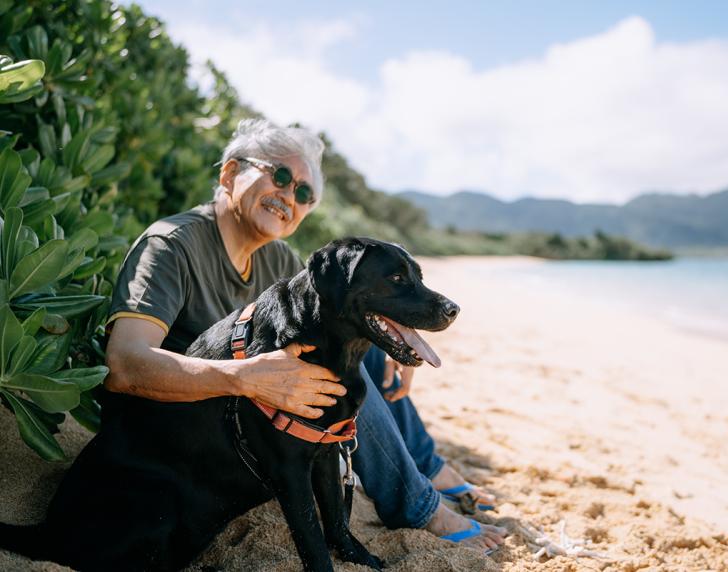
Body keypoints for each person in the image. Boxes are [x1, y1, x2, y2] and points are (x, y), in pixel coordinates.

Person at [104, 119, 506, 553]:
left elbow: (342, 312)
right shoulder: (171, 245)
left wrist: (395, 339)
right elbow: (124, 365)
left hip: (254, 417)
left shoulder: (278, 259)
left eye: (303, 194)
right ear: (229, 174)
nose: (288, 197)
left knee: (359, 343)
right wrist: (243, 375)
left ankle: (431, 469)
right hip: (188, 431)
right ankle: (422, 508)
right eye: (279, 175)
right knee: (333, 371)